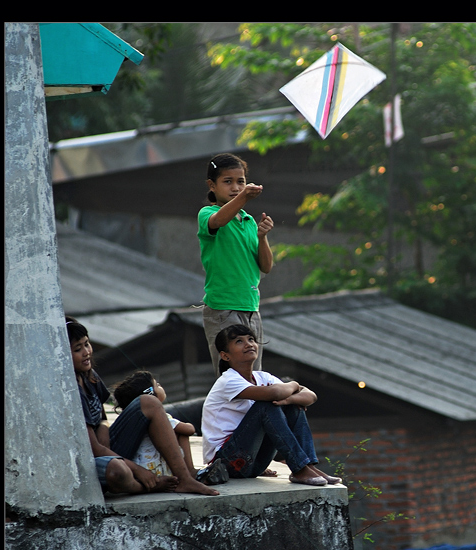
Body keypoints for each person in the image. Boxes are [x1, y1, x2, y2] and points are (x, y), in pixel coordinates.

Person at [201, 324, 341, 487]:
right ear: (225, 356)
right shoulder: (228, 380)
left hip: (255, 463)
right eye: (239, 341)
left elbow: (310, 396)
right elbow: (274, 394)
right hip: (226, 464)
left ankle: (307, 466)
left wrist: (289, 400)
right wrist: (295, 385)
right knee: (266, 407)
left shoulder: (262, 377)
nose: (248, 344)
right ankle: (299, 468)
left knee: (292, 406)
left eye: (251, 339)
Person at [67, 317, 178, 496]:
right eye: (78, 349)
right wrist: (137, 469)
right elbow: (94, 449)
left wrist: (104, 432)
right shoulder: (70, 390)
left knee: (148, 402)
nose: (86, 352)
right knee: (119, 471)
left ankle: (185, 478)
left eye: (87, 344)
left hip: (104, 447)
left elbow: (101, 414)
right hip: (87, 458)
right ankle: (150, 485)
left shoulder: (89, 376)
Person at [197, 153, 275, 374]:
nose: (236, 187)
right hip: (224, 307)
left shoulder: (249, 221)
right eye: (228, 181)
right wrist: (244, 198)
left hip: (251, 307)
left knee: (253, 375)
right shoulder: (207, 213)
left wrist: (262, 237)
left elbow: (266, 266)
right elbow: (219, 221)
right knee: (232, 376)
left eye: (240, 181)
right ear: (212, 185)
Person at [111, 370, 197, 479]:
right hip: (155, 471)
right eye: (157, 385)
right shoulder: (161, 417)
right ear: (150, 394)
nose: (161, 386)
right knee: (182, 432)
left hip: (140, 471)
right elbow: (190, 430)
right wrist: (189, 424)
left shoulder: (134, 419)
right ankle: (190, 471)